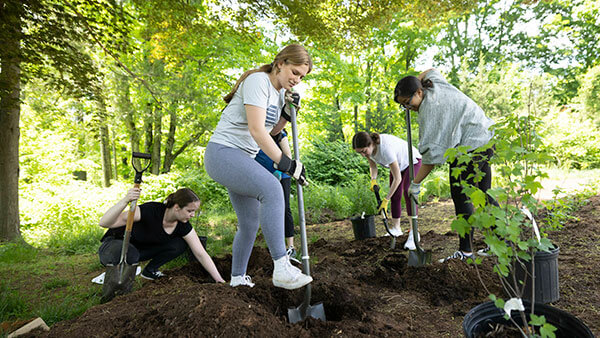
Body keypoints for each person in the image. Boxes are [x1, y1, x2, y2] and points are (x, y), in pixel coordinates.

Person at [204, 43, 313, 290]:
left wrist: (285, 114)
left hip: (241, 158)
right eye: (294, 72)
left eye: (302, 76)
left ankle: (238, 278)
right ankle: (282, 266)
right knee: (273, 190)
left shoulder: (277, 93)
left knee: (250, 222)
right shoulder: (258, 82)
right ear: (280, 63)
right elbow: (255, 131)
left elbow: (269, 132)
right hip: (223, 153)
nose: (297, 79)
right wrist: (286, 163)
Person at [394, 68, 498, 263]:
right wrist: (414, 81)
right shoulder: (435, 84)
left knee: (461, 196)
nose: (408, 108)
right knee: (485, 195)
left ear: (419, 93)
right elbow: (431, 70)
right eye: (404, 106)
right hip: (485, 138)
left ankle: (465, 251)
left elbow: (430, 159)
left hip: (470, 147)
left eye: (408, 103)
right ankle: (500, 244)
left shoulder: (429, 111)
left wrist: (415, 184)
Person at [98, 187, 225, 283]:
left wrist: (219, 280)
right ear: (176, 207)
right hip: (115, 247)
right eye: (189, 211)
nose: (192, 215)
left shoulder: (183, 225)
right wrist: (126, 200)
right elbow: (104, 222)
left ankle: (149, 271)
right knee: (131, 255)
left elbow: (201, 253)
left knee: (180, 244)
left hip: (139, 252)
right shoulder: (149, 211)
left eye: (194, 212)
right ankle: (114, 271)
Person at [352, 132, 422, 250]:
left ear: (371, 144)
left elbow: (397, 178)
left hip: (412, 161)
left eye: (364, 151)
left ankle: (414, 233)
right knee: (395, 195)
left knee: (407, 192)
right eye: (360, 153)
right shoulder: (369, 151)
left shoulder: (385, 149)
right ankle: (396, 228)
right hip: (398, 165)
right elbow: (373, 166)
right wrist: (373, 179)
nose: (363, 155)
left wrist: (386, 200)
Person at [254, 129, 300, 264]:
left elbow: (287, 155)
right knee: (266, 211)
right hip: (263, 177)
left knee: (284, 208)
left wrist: (278, 169)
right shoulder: (254, 133)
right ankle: (275, 246)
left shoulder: (279, 134)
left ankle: (290, 246)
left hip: (281, 175)